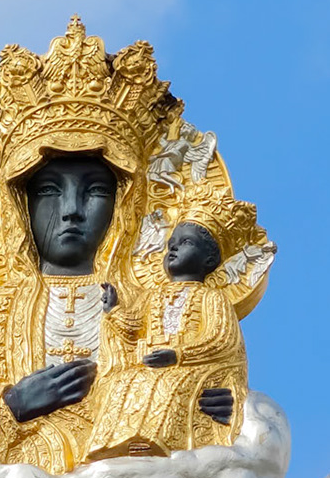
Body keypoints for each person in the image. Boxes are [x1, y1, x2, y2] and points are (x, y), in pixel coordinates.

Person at [83, 195, 260, 461]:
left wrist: (178, 356)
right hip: (150, 364)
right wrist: (115, 311)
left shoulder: (211, 298)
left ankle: (156, 443)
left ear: (210, 259)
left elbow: (221, 339)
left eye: (185, 243)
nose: (173, 250)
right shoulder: (151, 298)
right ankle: (117, 443)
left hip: (188, 369)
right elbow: (133, 330)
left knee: (166, 383)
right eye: (170, 245)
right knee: (125, 381)